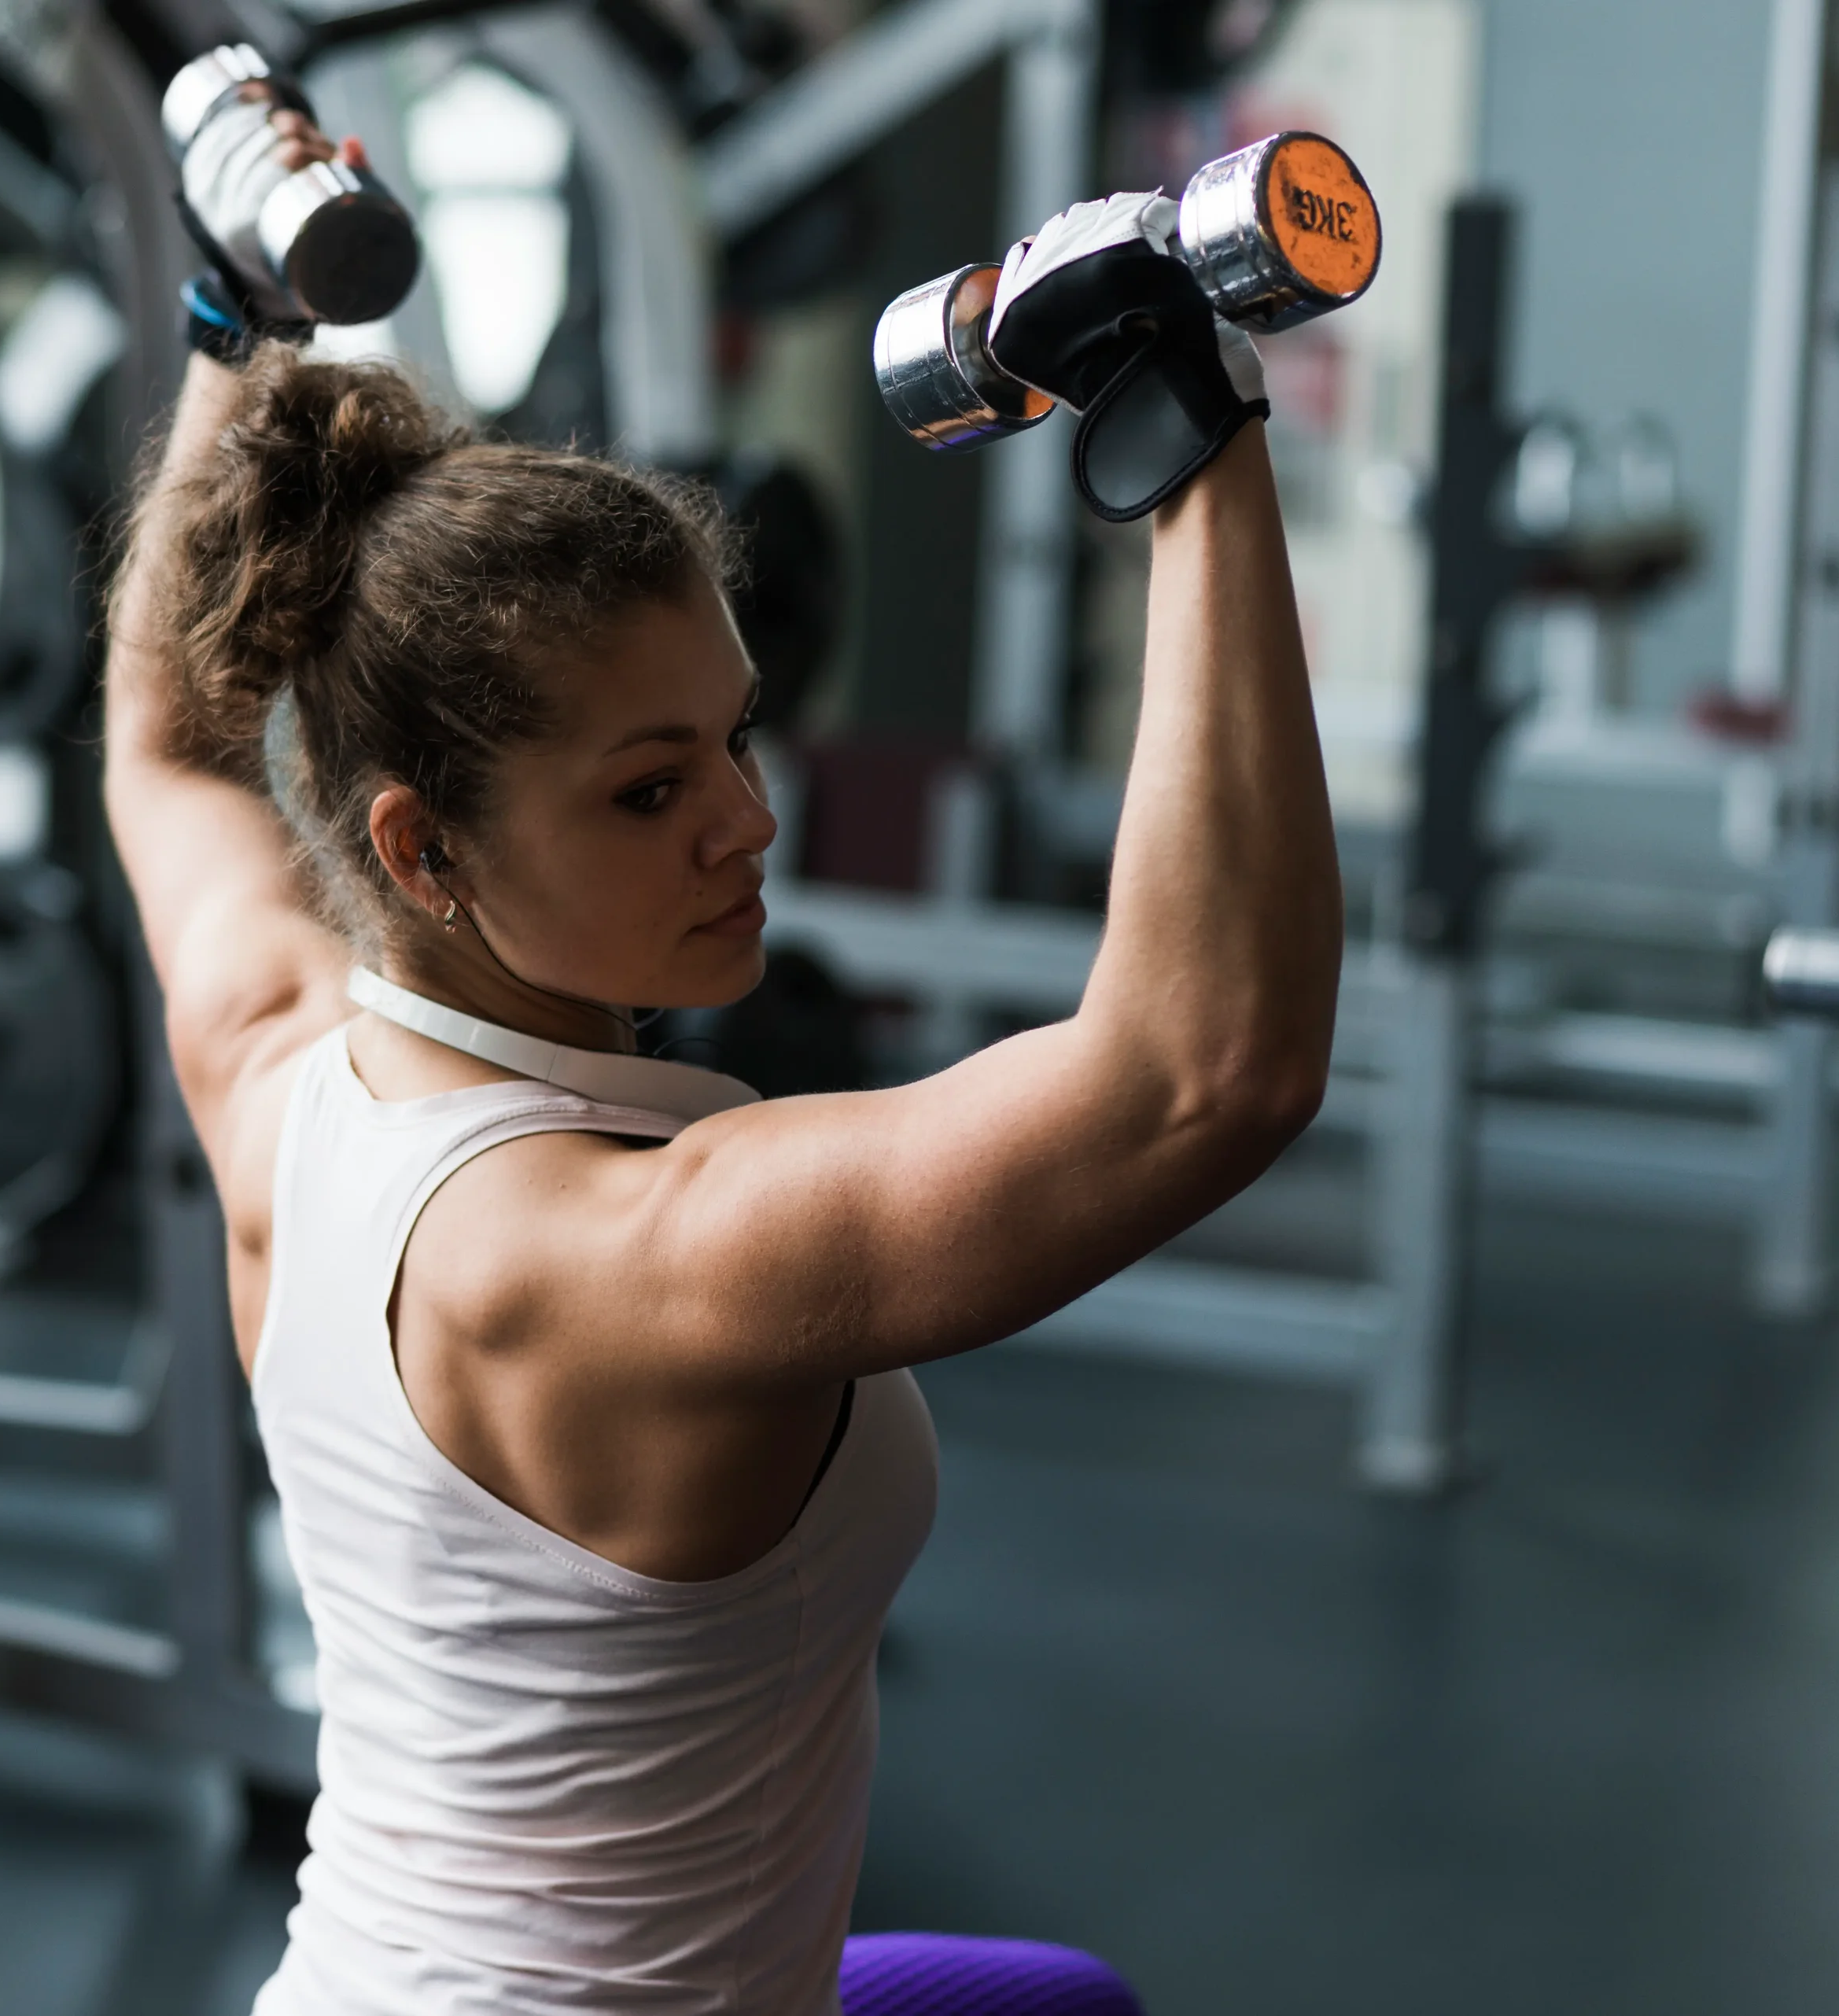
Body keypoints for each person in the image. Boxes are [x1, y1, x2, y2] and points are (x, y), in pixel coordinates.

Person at [105, 98, 1340, 2016]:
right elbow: (1205, 1067)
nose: (747, 825)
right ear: (423, 849)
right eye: (650, 789)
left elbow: (171, 744)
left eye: (737, 739)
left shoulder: (278, 1067)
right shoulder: (619, 1260)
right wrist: (1195, 446)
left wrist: (235, 306)